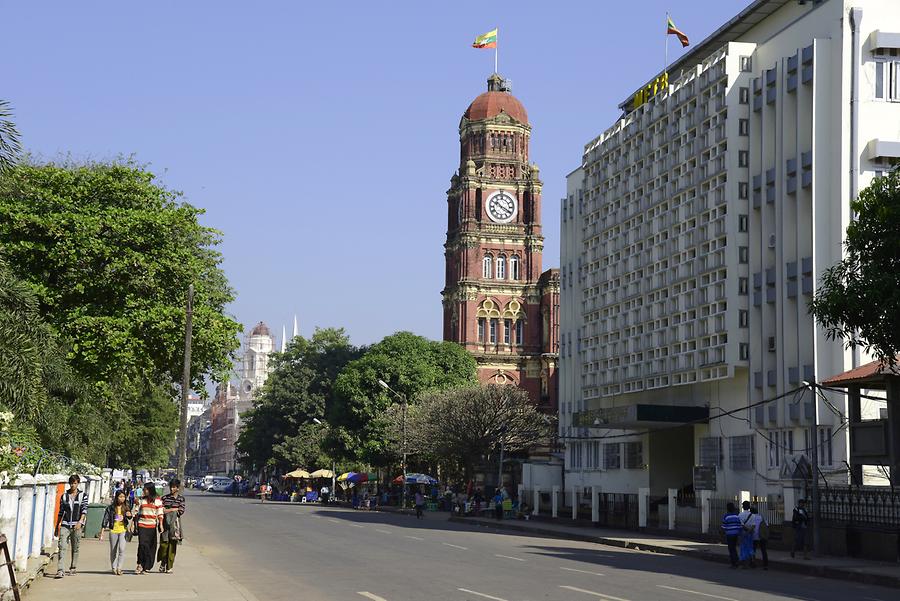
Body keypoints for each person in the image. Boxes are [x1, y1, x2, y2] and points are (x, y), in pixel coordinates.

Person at [54, 474, 87, 578]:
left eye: (75, 483)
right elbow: (61, 511)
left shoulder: (83, 496)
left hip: (77, 525)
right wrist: (57, 526)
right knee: (62, 546)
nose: (73, 485)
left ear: (78, 484)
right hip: (65, 524)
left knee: (75, 547)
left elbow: (84, 510)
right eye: (71, 483)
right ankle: (60, 570)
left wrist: (80, 522)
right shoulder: (64, 496)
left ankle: (73, 567)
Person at [100, 490, 132, 575]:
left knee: (122, 549)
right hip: (113, 530)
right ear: (116, 497)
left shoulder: (126, 506)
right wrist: (102, 532)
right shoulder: (110, 508)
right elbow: (105, 519)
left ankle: (119, 568)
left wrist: (129, 515)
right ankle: (114, 567)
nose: (122, 499)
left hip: (123, 530)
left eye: (123, 497)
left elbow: (129, 516)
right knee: (113, 550)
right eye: (120, 497)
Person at [133, 482, 163, 574]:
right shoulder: (141, 501)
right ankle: (140, 564)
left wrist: (161, 525)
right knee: (142, 545)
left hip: (152, 526)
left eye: (145, 489)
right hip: (142, 525)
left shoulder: (157, 501)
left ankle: (146, 566)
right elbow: (136, 512)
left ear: (149, 490)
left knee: (150, 547)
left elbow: (160, 513)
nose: (143, 491)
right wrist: (133, 524)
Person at [158, 479, 186, 573]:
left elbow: (181, 511)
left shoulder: (181, 499)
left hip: (175, 525)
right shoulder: (164, 498)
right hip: (165, 524)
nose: (171, 488)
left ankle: (169, 566)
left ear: (177, 488)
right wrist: (173, 509)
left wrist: (169, 509)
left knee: (172, 546)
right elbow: (161, 510)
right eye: (171, 486)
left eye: (174, 487)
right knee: (164, 545)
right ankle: (163, 562)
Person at [721, 502, 743, 569]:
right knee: (734, 548)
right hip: (736, 534)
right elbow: (739, 525)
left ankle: (734, 563)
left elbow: (724, 526)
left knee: (731, 549)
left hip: (729, 534)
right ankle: (736, 561)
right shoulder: (737, 516)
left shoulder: (726, 516)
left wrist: (722, 533)